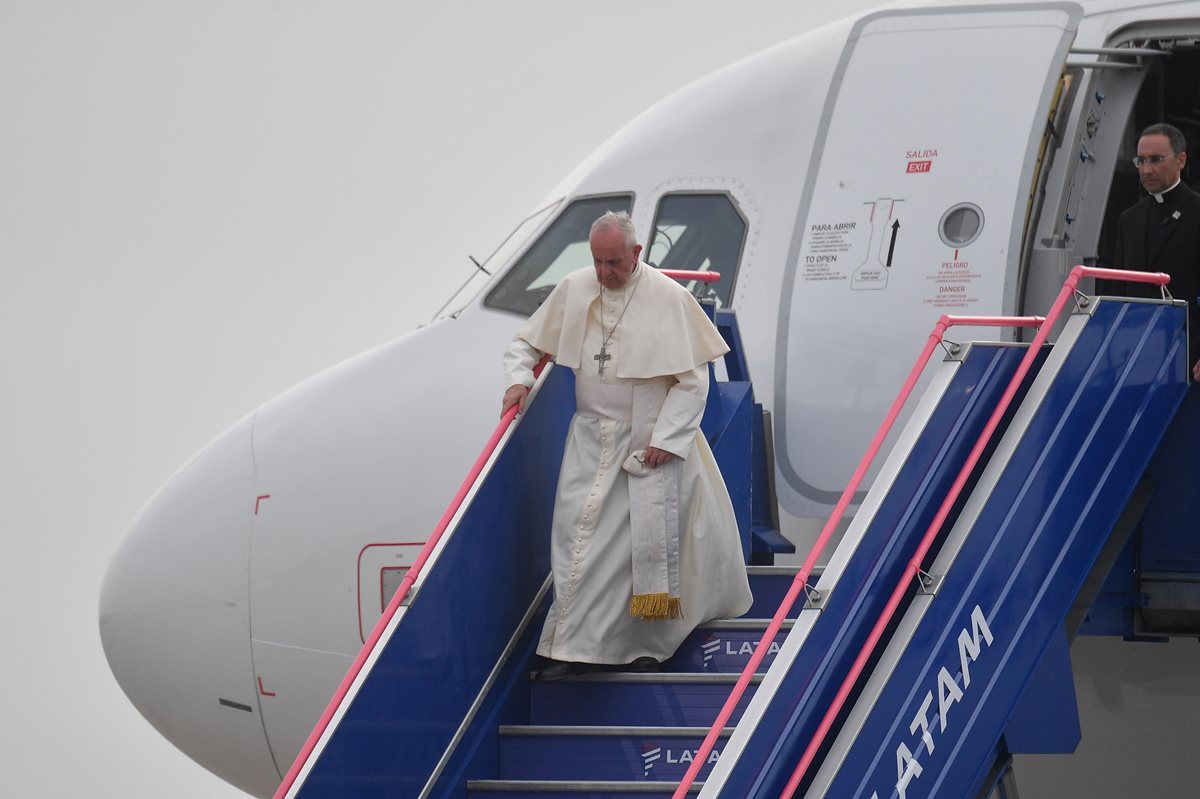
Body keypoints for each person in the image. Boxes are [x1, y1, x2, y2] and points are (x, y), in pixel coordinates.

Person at [501, 211, 753, 680]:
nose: (604, 273)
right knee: (575, 542)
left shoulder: (669, 297)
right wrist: (519, 380)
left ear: (636, 253)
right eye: (597, 261)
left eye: (613, 262)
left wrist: (666, 440)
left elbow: (693, 382)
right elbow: (524, 345)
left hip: (647, 443)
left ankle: (640, 648)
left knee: (635, 554)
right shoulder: (576, 288)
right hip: (588, 440)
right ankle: (575, 647)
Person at [1109, 122, 1200, 379]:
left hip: (1190, 356)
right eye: (1141, 161)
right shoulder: (1129, 220)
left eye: (1156, 160)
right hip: (1137, 356)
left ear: (1181, 160)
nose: (1147, 169)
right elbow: (1119, 291)